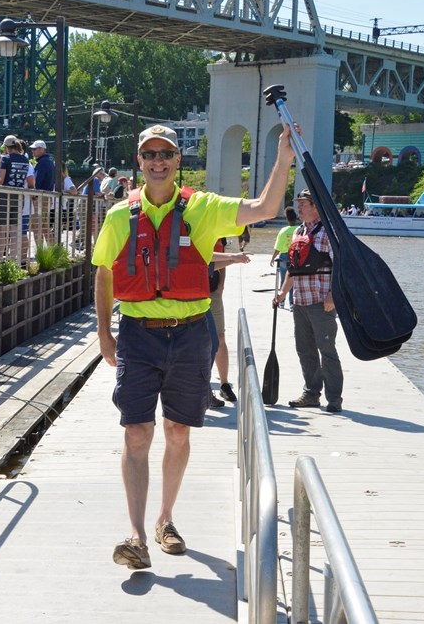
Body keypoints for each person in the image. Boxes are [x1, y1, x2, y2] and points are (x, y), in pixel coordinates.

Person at [93, 121, 295, 571]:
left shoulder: (202, 208)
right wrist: (104, 331)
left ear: (178, 161)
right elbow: (104, 271)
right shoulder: (118, 216)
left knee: (177, 431)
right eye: (150, 155)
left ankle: (166, 519)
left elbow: (264, 207)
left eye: (166, 154)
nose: (158, 162)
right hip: (139, 335)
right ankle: (137, 535)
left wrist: (282, 160)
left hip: (189, 333)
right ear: (139, 162)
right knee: (136, 431)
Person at [273, 189, 344, 414]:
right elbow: (293, 268)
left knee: (327, 349)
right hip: (301, 301)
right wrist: (283, 293)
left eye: (303, 204)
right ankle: (311, 394)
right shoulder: (299, 231)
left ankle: (334, 398)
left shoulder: (329, 232)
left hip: (322, 301)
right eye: (299, 204)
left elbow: (342, 267)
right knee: (305, 349)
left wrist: (334, 296)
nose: (299, 208)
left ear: (315, 207)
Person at [208, 240, 252, 406]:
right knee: (196, 343)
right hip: (188, 296)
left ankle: (224, 384)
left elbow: (215, 262)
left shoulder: (215, 234)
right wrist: (234, 258)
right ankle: (203, 388)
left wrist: (221, 285)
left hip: (211, 293)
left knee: (219, 339)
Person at [0, 137, 34, 264]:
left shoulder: (5, 159)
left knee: (1, 229)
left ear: (6, 147)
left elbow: (0, 180)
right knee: (14, 229)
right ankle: (12, 259)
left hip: (5, 196)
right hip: (19, 196)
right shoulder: (25, 160)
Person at [269, 205, 298, 308]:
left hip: (284, 256)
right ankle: (292, 304)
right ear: (296, 218)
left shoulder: (283, 231)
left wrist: (273, 258)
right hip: (295, 256)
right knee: (293, 280)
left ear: (287, 219)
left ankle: (281, 302)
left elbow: (278, 248)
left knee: (283, 279)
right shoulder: (300, 229)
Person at [30, 139, 55, 243]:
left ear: (42, 149)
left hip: (40, 197)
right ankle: (53, 251)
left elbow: (37, 181)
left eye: (35, 149)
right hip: (47, 197)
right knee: (45, 226)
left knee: (36, 226)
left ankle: (39, 252)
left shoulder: (42, 163)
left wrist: (34, 195)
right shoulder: (49, 162)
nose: (33, 151)